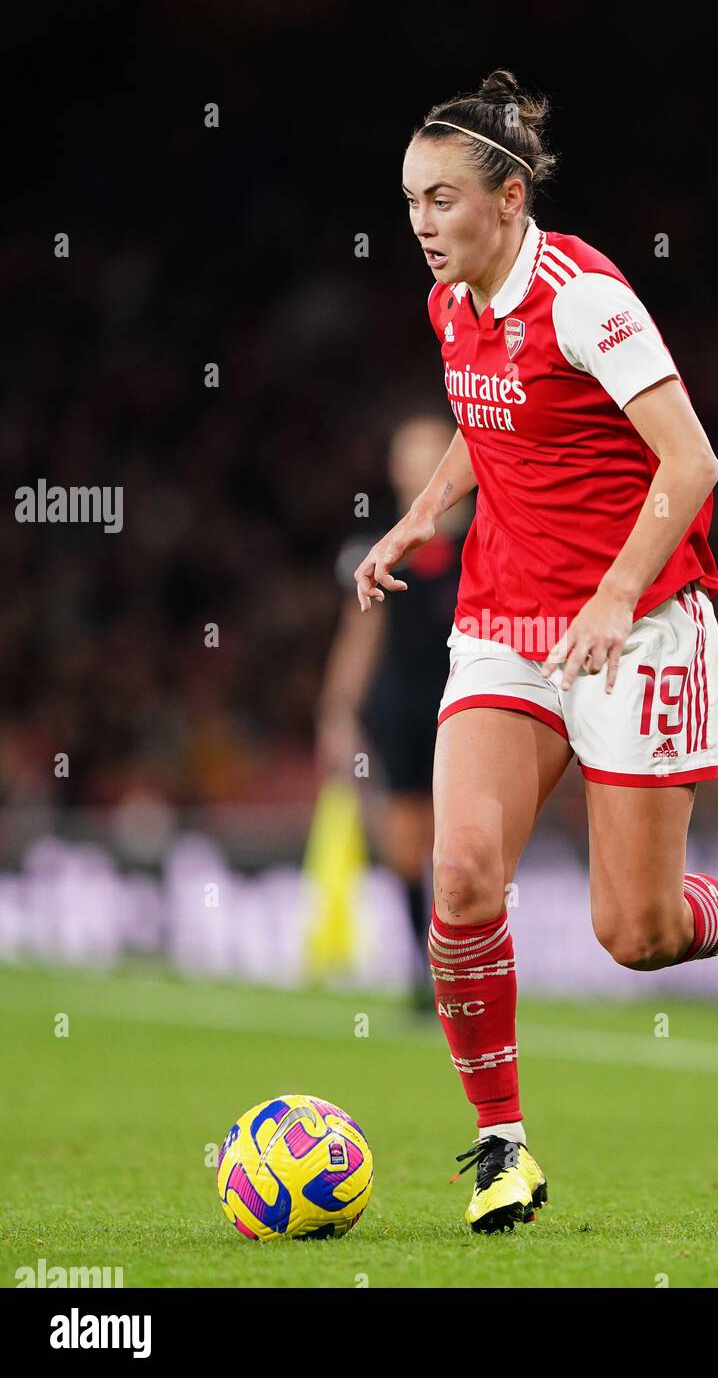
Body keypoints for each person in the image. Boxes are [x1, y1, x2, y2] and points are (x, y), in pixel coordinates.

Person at [352, 69, 718, 1234]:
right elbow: (489, 416)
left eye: (443, 200)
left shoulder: (586, 299)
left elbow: (692, 462)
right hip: (505, 619)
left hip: (640, 620)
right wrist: (421, 517)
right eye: (410, 201)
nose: (421, 223)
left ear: (508, 198)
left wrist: (613, 597)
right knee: (460, 878)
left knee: (635, 932)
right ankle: (501, 1146)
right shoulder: (451, 302)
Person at [318, 415, 468, 1014]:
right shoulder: (379, 547)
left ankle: (469, 968)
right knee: (409, 847)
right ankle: (425, 974)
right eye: (409, 454)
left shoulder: (491, 536)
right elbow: (360, 637)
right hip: (403, 708)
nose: (420, 463)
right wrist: (336, 711)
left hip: (470, 701)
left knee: (465, 847)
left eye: (432, 451)